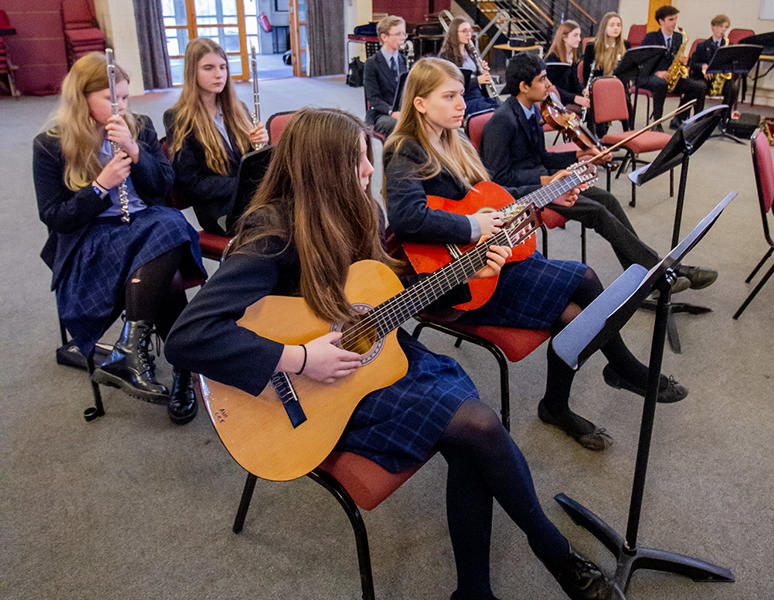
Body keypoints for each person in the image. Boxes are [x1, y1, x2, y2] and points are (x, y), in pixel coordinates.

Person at [164, 107, 618, 600]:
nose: (368, 171)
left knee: (473, 430)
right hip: (307, 391)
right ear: (325, 167)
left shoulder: (363, 211)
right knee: (478, 427)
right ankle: (552, 552)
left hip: (374, 361)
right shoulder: (271, 233)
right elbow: (188, 337)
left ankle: (476, 591)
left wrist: (466, 275)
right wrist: (299, 359)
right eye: (360, 160)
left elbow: (388, 296)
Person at [384, 57, 689, 452]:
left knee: (573, 313)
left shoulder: (454, 142)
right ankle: (624, 368)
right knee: (584, 278)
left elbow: (493, 203)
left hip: (491, 259)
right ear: (420, 103)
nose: (462, 103)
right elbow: (407, 218)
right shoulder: (405, 150)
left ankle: (556, 404)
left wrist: (546, 194)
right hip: (457, 280)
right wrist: (475, 226)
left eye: (461, 94)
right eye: (450, 96)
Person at [33, 52, 206, 425]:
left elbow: (162, 185)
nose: (121, 106)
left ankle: (131, 350)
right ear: (82, 98)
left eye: (125, 97)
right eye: (112, 98)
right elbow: (55, 217)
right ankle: (179, 372)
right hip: (94, 237)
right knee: (170, 269)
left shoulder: (138, 126)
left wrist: (134, 149)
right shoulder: (49, 144)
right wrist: (99, 187)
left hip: (145, 222)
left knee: (172, 223)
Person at [480, 52, 717, 291]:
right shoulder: (502, 121)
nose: (550, 85)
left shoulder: (532, 111)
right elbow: (498, 179)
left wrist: (581, 155)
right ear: (523, 86)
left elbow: (543, 157)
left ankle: (647, 273)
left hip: (547, 185)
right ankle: (661, 273)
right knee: (597, 212)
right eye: (543, 79)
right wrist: (545, 180)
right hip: (524, 196)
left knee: (607, 199)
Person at [164, 38, 269, 236]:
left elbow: (250, 164)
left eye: (223, 67)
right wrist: (243, 184)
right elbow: (193, 183)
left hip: (250, 199)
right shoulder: (178, 118)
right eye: (208, 68)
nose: (218, 74)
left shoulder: (239, 110)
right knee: (282, 221)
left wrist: (260, 146)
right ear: (192, 72)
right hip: (219, 210)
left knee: (300, 208)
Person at [639, 5, 706, 130]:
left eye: (675, 19)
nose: (674, 22)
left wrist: (684, 61)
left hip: (671, 76)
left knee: (699, 86)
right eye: (671, 19)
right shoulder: (651, 37)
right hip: (651, 76)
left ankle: (679, 118)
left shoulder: (678, 37)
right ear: (661, 21)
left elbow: (675, 58)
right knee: (661, 83)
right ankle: (656, 122)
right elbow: (643, 60)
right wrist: (657, 72)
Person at [438, 16, 499, 118]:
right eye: (464, 31)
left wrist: (481, 71)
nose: (469, 34)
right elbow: (450, 84)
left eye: (469, 31)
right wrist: (477, 80)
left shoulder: (471, 53)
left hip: (479, 95)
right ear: (454, 34)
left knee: (500, 105)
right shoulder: (446, 56)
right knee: (494, 111)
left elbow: (476, 76)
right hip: (464, 99)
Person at [363, 15, 408, 138]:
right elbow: (373, 98)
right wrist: (391, 111)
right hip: (381, 113)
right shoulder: (372, 63)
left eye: (404, 34)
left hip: (404, 111)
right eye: (398, 34)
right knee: (393, 124)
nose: (403, 38)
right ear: (384, 37)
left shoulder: (406, 61)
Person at [688, 14, 740, 121]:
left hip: (721, 79)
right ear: (713, 27)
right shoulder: (702, 45)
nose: (723, 30)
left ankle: (724, 116)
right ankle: (698, 118)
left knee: (733, 88)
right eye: (721, 26)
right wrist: (703, 66)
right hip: (705, 78)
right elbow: (693, 63)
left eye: (726, 27)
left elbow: (735, 65)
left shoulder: (729, 46)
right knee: (700, 87)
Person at [544, 20, 588, 114]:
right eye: (575, 35)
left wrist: (583, 91)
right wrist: (575, 98)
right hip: (557, 100)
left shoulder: (573, 56)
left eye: (579, 35)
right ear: (564, 38)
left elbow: (574, 82)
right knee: (590, 111)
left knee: (597, 106)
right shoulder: (553, 58)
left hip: (568, 97)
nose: (579, 39)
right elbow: (551, 88)